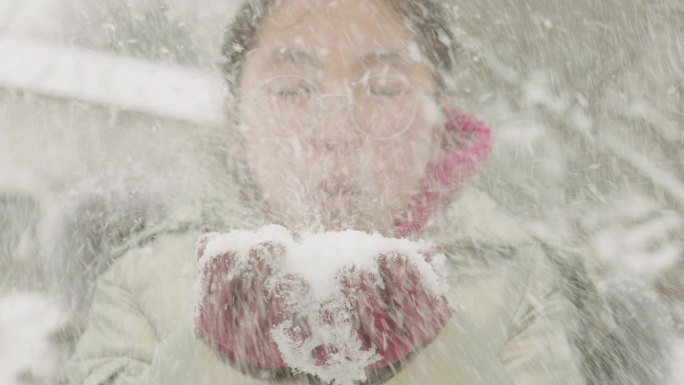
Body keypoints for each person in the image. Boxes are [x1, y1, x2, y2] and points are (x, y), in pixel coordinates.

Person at [67, 0, 593, 384]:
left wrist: (434, 356)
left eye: (385, 89)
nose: (337, 130)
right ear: (237, 126)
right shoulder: (140, 279)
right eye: (292, 90)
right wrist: (216, 356)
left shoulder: (523, 281)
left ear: (438, 126)